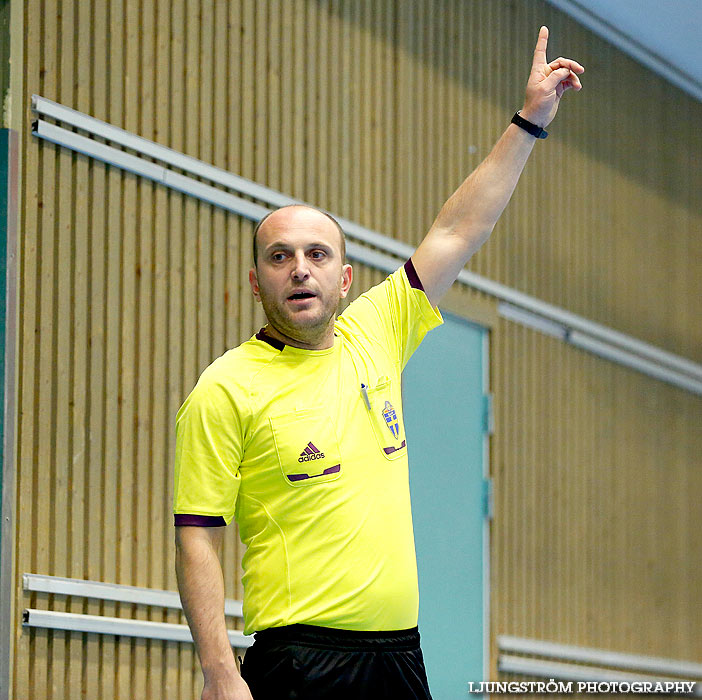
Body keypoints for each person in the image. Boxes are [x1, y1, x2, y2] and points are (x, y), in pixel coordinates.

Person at [174, 26, 583, 700]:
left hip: (401, 657)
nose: (298, 269)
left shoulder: (377, 331)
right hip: (298, 662)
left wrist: (530, 120)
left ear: (344, 278)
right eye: (279, 257)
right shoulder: (225, 389)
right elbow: (198, 540)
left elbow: (459, 229)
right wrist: (222, 676)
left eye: (316, 254)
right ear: (257, 282)